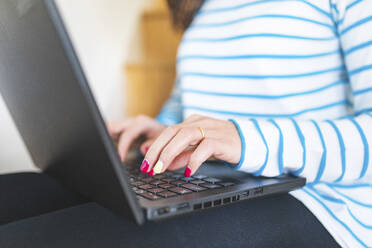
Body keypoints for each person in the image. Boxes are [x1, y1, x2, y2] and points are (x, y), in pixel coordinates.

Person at [0, 0, 370, 247]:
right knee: (17, 195)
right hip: (208, 179)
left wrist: (246, 138)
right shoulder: (203, 4)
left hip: (325, 203)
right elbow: (193, 107)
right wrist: (161, 130)